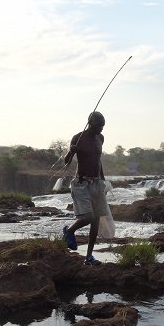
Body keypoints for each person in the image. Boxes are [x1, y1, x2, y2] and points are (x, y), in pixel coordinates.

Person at [62, 111, 110, 266]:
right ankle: (69, 231)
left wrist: (103, 180)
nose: (101, 129)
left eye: (103, 126)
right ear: (90, 122)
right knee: (88, 217)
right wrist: (71, 151)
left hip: (97, 183)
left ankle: (89, 256)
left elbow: (98, 160)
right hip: (82, 183)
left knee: (95, 221)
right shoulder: (79, 138)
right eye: (98, 126)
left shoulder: (100, 138)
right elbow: (66, 162)